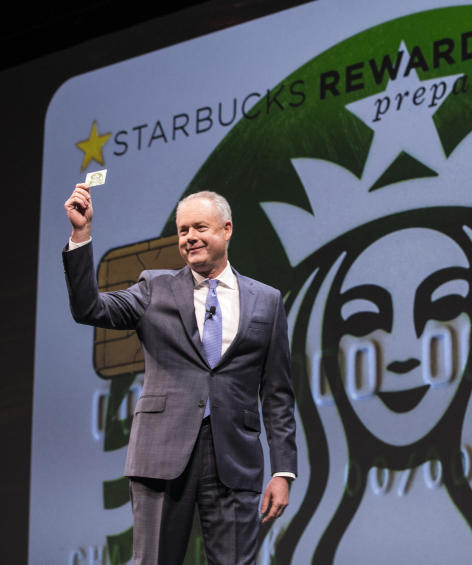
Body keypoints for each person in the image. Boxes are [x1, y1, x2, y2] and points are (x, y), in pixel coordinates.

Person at [63, 185, 297, 565]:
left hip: (234, 460)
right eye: (183, 231)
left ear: (227, 229)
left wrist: (283, 470)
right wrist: (80, 235)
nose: (189, 238)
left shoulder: (266, 301)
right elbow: (89, 308)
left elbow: (277, 394)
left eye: (199, 228)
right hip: (161, 454)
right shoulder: (154, 288)